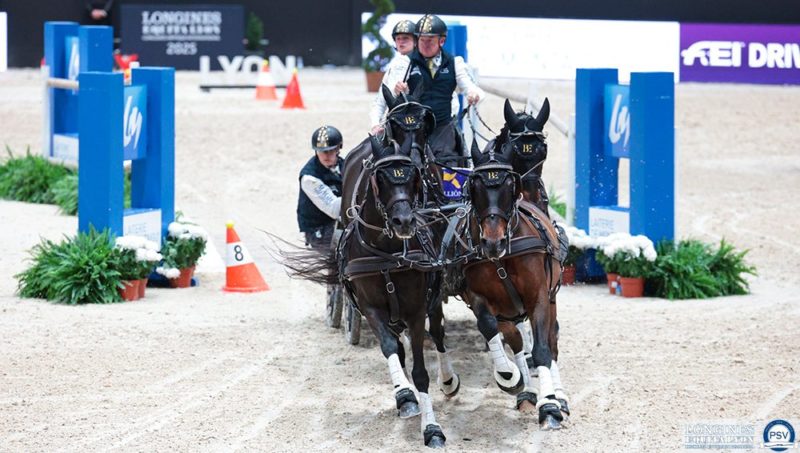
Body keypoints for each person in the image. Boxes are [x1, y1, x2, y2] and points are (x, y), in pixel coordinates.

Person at [396, 14, 485, 167]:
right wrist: (398, 89)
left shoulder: (455, 63)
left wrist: (474, 94)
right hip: (412, 127)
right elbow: (393, 89)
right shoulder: (406, 62)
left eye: (430, 40)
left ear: (441, 41)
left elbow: (472, 88)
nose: (425, 44)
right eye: (422, 40)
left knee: (449, 165)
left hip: (442, 127)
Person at [296, 125, 344, 247]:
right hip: (320, 230)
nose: (326, 155)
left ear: (338, 149)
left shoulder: (345, 165)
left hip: (340, 222)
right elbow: (334, 210)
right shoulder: (309, 178)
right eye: (322, 151)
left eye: (331, 150)